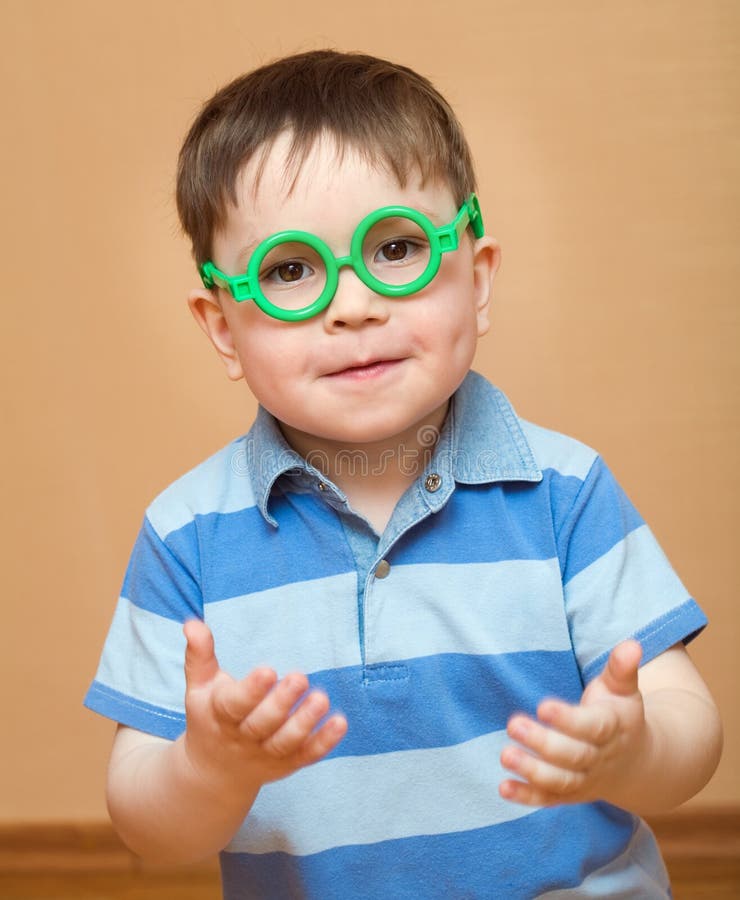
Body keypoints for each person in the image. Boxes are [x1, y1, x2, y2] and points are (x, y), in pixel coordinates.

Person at [85, 49, 722, 899]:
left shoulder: (566, 493)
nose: (352, 305)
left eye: (396, 249)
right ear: (224, 328)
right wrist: (208, 770)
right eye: (289, 272)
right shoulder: (186, 536)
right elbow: (145, 826)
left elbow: (690, 733)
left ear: (478, 278)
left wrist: (635, 750)